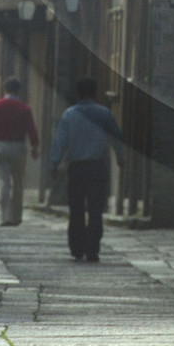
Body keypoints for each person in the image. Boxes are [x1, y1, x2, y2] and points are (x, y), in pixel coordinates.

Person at [52, 77, 122, 263]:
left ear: (78, 93)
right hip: (97, 167)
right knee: (95, 210)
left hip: (76, 168)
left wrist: (54, 163)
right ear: (95, 92)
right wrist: (120, 157)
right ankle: (92, 249)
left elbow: (60, 141)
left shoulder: (69, 114)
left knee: (76, 209)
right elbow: (116, 137)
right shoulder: (104, 114)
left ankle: (77, 248)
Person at [0, 78, 39, 226]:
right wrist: (34, 147)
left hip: (0, 146)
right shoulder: (24, 108)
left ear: (5, 90)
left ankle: (4, 216)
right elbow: (31, 129)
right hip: (18, 147)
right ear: (18, 91)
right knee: (18, 183)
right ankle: (16, 217)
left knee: (2, 181)